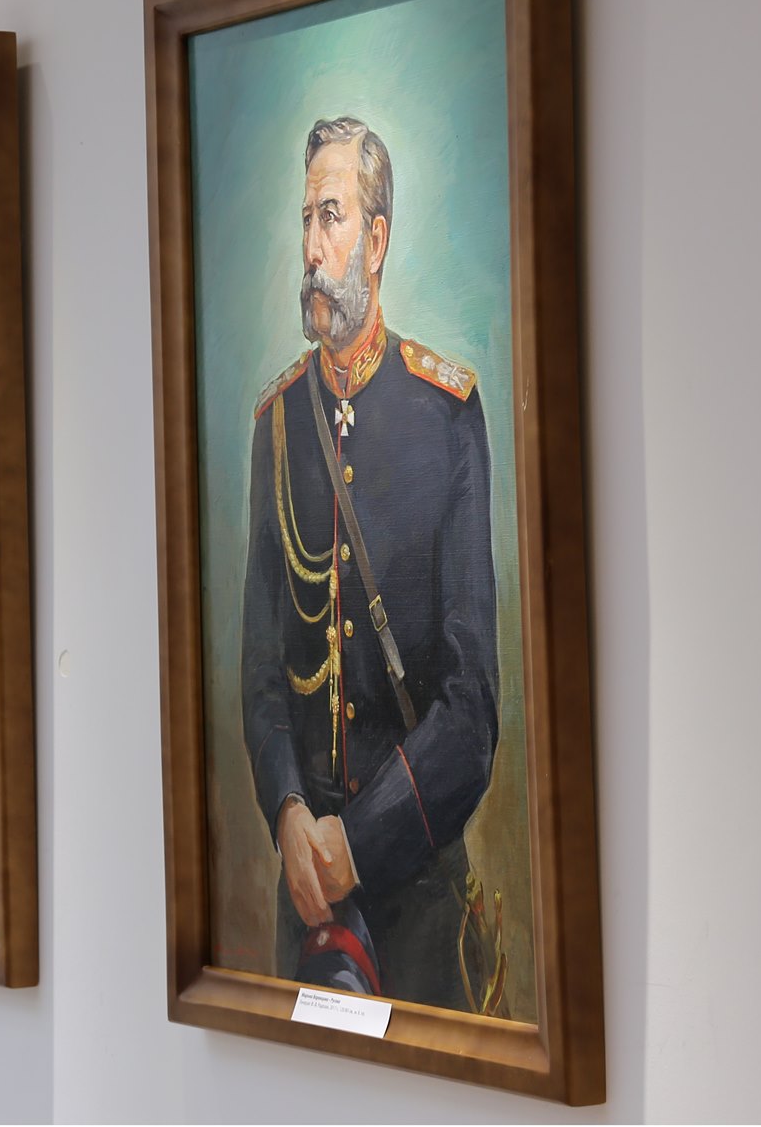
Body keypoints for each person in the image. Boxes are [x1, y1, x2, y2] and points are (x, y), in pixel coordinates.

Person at [238, 116, 500, 1011]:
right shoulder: (278, 426)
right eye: (306, 220)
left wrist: (360, 842)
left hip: (417, 904)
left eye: (333, 218)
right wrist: (289, 813)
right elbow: (261, 676)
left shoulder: (444, 416)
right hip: (306, 903)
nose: (312, 249)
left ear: (377, 241)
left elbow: (472, 710)